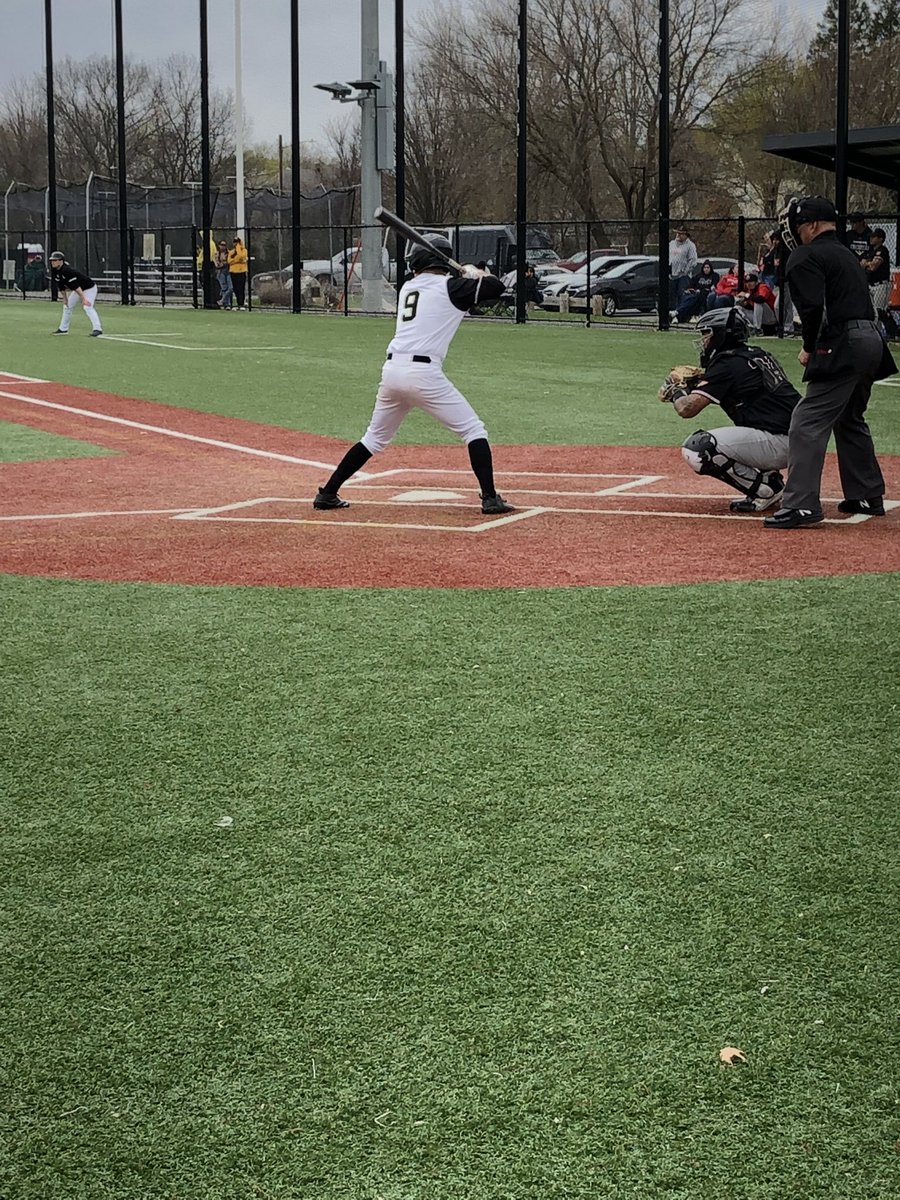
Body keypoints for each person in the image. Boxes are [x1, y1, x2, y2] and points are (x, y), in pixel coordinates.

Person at [312, 234, 515, 515]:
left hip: (393, 371)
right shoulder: (452, 287)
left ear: (419, 261)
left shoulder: (409, 287)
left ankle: (328, 492)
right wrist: (476, 273)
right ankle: (490, 498)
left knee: (373, 438)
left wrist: (467, 277)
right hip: (423, 373)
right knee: (473, 430)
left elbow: (475, 291)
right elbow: (497, 287)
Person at [764, 195, 897, 528]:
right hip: (873, 340)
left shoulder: (806, 255)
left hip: (846, 340)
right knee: (850, 417)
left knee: (807, 420)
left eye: (797, 226)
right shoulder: (847, 254)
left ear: (810, 226)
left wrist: (809, 346)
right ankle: (866, 492)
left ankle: (802, 505)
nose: (794, 232)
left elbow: (811, 308)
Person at [663, 306, 800, 513]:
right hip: (801, 438)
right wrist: (698, 381)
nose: (704, 341)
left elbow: (687, 409)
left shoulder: (726, 364)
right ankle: (769, 476)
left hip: (781, 442)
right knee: (753, 420)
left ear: (721, 334)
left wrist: (675, 392)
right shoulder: (756, 355)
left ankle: (765, 490)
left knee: (698, 448)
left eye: (707, 334)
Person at [48, 251, 103, 336]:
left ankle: (97, 329)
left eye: (55, 260)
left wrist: (83, 299)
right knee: (67, 306)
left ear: (61, 261)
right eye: (52, 260)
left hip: (89, 288)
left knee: (87, 306)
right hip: (78, 289)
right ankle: (63, 329)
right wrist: (65, 299)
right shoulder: (55, 270)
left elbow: (76, 287)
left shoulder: (67, 271)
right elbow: (61, 286)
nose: (53, 262)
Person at [861, 227, 891, 328]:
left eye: (874, 237)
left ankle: (891, 332)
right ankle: (888, 332)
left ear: (880, 239)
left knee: (879, 312)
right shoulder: (870, 251)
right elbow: (860, 264)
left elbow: (874, 266)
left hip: (881, 285)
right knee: (872, 312)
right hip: (870, 284)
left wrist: (867, 264)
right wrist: (868, 264)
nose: (871, 239)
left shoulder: (882, 250)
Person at [668, 227, 698, 308]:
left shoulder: (690, 245)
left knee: (682, 295)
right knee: (671, 295)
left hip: (683, 276)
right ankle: (670, 313)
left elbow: (693, 260)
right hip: (671, 275)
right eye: (677, 233)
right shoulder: (671, 244)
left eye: (681, 234)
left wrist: (685, 271)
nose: (678, 235)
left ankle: (680, 313)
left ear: (686, 235)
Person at [228, 236, 249, 309]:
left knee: (241, 288)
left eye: (237, 242)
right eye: (234, 242)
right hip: (233, 272)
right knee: (236, 289)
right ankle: (238, 303)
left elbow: (241, 256)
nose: (235, 244)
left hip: (241, 271)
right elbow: (229, 261)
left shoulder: (244, 250)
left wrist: (238, 248)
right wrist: (237, 260)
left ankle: (241, 304)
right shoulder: (231, 251)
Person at [214, 239, 233, 309]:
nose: (223, 247)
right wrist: (225, 263)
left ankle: (222, 301)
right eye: (222, 245)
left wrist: (225, 263)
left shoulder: (229, 253)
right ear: (219, 245)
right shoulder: (217, 253)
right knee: (224, 288)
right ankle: (227, 305)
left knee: (231, 288)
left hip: (228, 271)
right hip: (221, 272)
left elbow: (231, 261)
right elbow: (217, 264)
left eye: (224, 245)